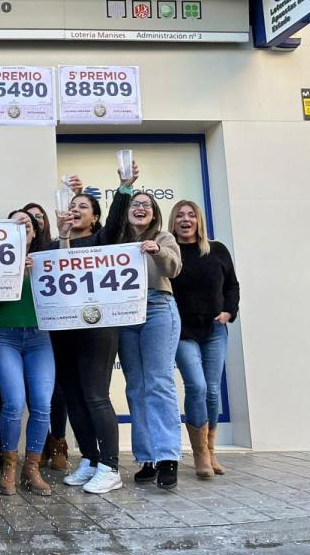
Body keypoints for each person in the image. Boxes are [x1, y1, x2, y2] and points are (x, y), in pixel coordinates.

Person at [50, 167, 132, 495]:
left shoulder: (103, 239)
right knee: (73, 396)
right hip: (65, 329)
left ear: (95, 217)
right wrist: (64, 234)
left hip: (98, 327)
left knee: (96, 396)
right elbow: (57, 272)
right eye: (73, 205)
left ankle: (111, 467)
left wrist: (124, 189)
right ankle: (90, 459)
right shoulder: (61, 240)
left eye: (84, 206)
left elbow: (115, 225)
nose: (76, 210)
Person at [112, 190, 184, 489]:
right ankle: (147, 458)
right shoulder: (116, 240)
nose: (140, 208)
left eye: (146, 205)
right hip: (127, 314)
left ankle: (168, 456)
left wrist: (157, 250)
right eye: (135, 204)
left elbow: (174, 268)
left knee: (159, 381)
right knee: (137, 386)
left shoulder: (164, 237)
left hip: (157, 308)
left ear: (154, 213)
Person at [0, 209, 55, 496]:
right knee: (14, 403)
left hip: (39, 338)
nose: (22, 225)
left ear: (35, 231)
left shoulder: (47, 261)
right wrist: (11, 272)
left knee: (41, 405)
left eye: (26, 223)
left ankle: (32, 468)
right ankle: (9, 467)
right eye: (15, 222)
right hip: (4, 336)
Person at [170, 200, 239, 479]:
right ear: (173, 222)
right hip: (183, 331)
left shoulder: (217, 250)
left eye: (191, 216)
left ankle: (211, 451)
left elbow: (232, 284)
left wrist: (229, 312)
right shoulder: (169, 251)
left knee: (212, 389)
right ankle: (199, 453)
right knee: (196, 386)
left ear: (198, 220)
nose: (186, 220)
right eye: (180, 216)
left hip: (214, 329)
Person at [20, 202, 68, 472]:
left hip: (54, 328)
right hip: (27, 330)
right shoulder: (13, 252)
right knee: (26, 397)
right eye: (30, 218)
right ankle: (34, 452)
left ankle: (58, 442)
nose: (35, 221)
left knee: (55, 392)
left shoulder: (50, 250)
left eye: (40, 217)